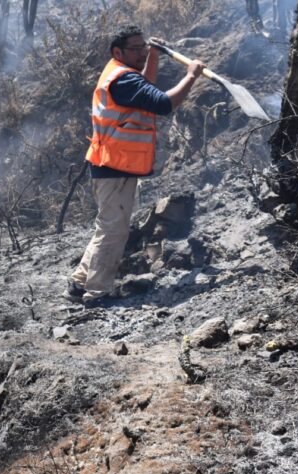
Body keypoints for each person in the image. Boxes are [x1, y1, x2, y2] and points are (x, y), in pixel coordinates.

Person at [66, 25, 205, 306]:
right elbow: (164, 103)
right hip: (113, 166)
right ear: (118, 51)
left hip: (113, 163)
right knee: (113, 230)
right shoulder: (123, 79)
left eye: (144, 47)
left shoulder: (122, 74)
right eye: (137, 49)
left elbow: (145, 88)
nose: (141, 52)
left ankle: (79, 283)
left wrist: (152, 56)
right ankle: (97, 293)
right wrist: (191, 75)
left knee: (108, 226)